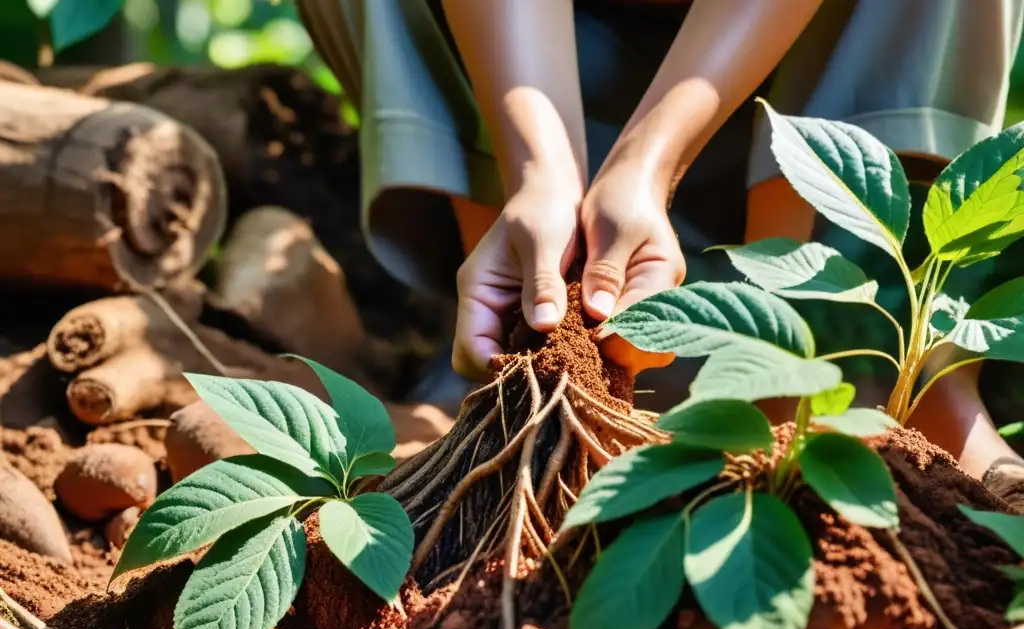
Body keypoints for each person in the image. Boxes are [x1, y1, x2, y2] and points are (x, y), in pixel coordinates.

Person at [295, 0, 1024, 497]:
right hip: (548, 54)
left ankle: (838, 381)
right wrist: (539, 170)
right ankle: (504, 380)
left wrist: (651, 160)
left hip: (787, 62)